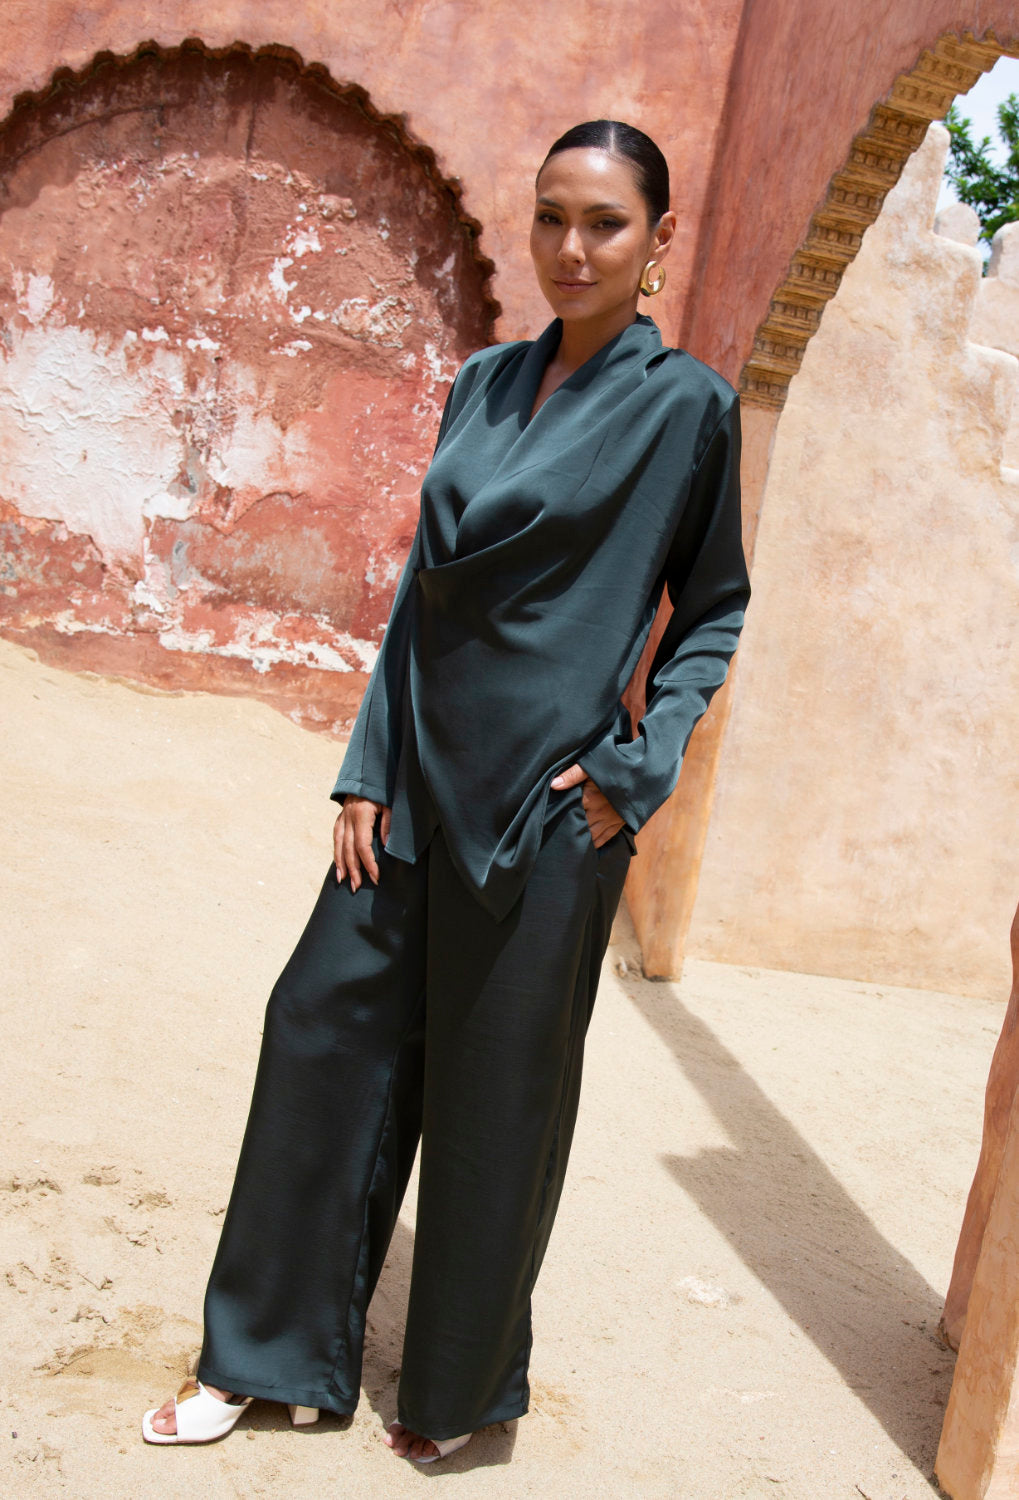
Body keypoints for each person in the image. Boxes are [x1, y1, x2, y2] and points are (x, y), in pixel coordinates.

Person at [142, 118, 750, 1463]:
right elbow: (425, 591)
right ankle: (269, 1352)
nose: (572, 247)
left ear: (659, 239)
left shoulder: (685, 410)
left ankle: (455, 1395)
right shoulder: (482, 382)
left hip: (549, 814)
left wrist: (636, 766)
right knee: (319, 1037)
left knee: (495, 1105)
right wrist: (367, 767)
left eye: (604, 222)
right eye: (552, 216)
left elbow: (711, 611)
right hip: (411, 787)